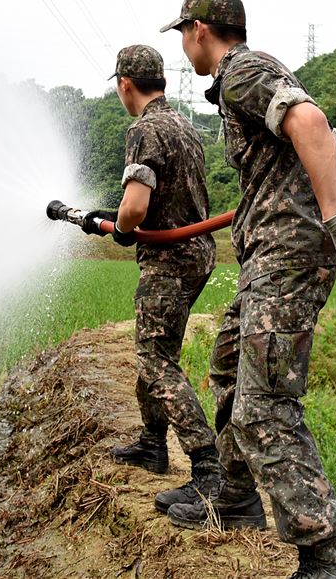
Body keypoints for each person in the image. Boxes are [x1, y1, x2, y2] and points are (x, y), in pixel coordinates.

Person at [156, 0, 336, 579]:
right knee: (227, 365)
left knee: (263, 406)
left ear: (200, 30)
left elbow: (311, 122)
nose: (181, 45)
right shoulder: (261, 74)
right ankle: (234, 496)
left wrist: (329, 218)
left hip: (286, 262)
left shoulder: (241, 72)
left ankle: (323, 557)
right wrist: (289, 194)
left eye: (182, 33)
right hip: (268, 260)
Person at [81, 44, 223, 501]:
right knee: (155, 349)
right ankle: (151, 444)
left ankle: (208, 466)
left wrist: (122, 226)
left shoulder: (144, 129)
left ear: (125, 84)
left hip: (170, 260)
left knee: (156, 361)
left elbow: (138, 205)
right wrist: (123, 216)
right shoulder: (182, 123)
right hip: (197, 253)